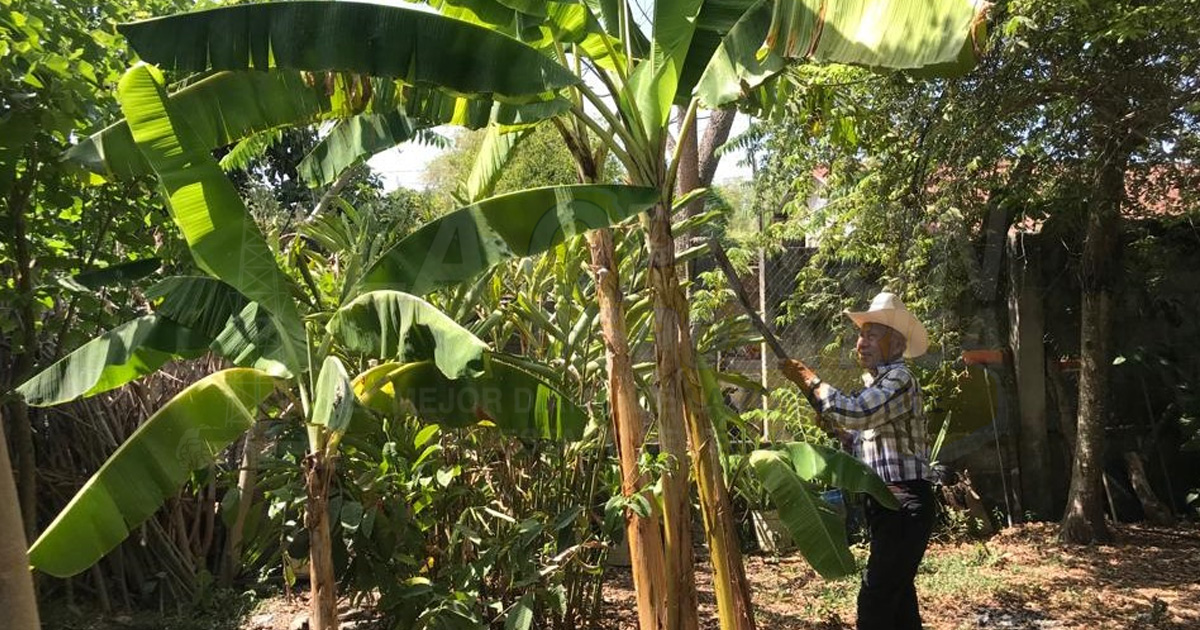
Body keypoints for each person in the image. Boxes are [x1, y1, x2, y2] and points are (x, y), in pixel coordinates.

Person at [779, 291, 934, 630]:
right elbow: (865, 439)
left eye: (872, 335)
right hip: (888, 504)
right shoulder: (878, 383)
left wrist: (811, 380)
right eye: (861, 335)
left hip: (903, 502)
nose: (861, 342)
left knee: (875, 600)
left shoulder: (899, 378)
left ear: (894, 344)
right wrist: (843, 436)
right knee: (898, 602)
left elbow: (859, 412)